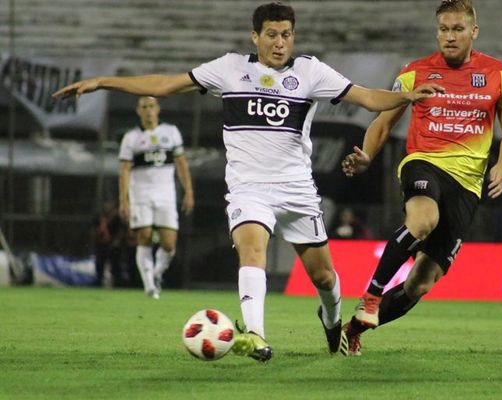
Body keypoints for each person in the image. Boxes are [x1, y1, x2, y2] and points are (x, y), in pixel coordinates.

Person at [53, 2, 443, 362]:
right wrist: (103, 81)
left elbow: (368, 98)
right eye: (271, 34)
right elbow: (164, 85)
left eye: (286, 34)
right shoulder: (229, 68)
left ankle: (331, 319)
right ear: (254, 37)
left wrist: (408, 96)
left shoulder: (310, 72)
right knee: (252, 250)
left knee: (324, 276)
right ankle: (255, 334)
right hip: (248, 188)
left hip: (296, 191)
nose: (279, 42)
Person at [340, 0, 502, 356]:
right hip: (424, 162)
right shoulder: (414, 73)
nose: (449, 37)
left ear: (474, 31)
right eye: (443, 29)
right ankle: (371, 296)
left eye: (457, 29)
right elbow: (384, 122)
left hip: (468, 184)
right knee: (423, 219)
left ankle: (354, 328)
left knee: (420, 283)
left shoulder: (499, 75)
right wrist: (367, 157)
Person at [118, 96, 195, 299]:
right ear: (138, 111)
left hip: (166, 194)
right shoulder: (131, 138)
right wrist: (123, 200)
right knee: (143, 236)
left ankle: (157, 273)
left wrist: (189, 191)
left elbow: (181, 163)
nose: (149, 110)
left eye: (152, 106)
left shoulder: (171, 132)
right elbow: (124, 170)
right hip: (140, 194)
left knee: (169, 244)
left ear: (158, 109)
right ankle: (149, 286)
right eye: (144, 107)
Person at [91, 200, 127, 287]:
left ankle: (117, 283)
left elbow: (121, 230)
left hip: (113, 245)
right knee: (100, 264)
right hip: (101, 244)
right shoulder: (99, 216)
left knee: (115, 265)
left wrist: (117, 241)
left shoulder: (117, 217)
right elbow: (94, 229)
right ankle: (98, 282)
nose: (107, 207)